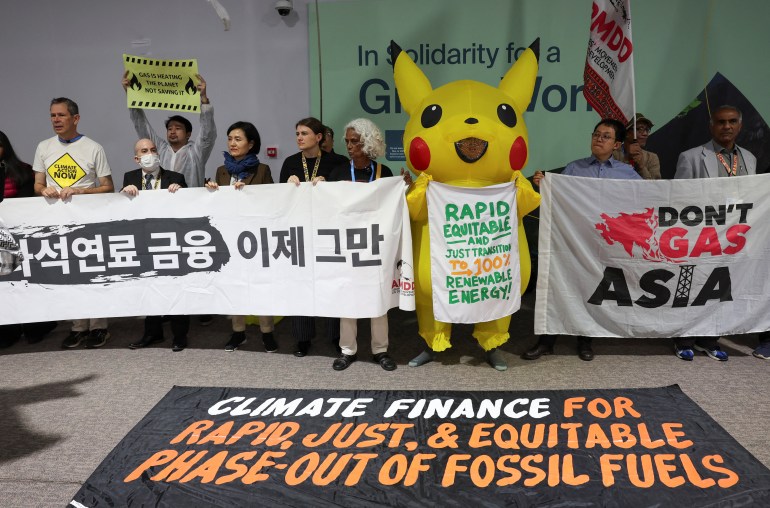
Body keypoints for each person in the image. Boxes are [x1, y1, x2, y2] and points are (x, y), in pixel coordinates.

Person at [524, 118, 641, 362]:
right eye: (596, 134)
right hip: (571, 241)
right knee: (557, 289)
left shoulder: (627, 174)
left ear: (617, 143)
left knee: (590, 290)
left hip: (603, 245)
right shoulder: (574, 168)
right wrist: (543, 185)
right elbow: (558, 202)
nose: (599, 139)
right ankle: (547, 341)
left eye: (606, 136)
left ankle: (585, 340)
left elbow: (641, 204)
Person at [673, 104, 767, 360]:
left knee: (720, 289)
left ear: (740, 125)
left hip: (735, 237)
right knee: (694, 286)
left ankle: (709, 339)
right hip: (701, 235)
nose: (726, 126)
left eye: (732, 121)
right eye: (721, 122)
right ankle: (683, 339)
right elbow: (680, 201)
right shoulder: (692, 157)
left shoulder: (749, 158)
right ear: (711, 126)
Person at [33, 97, 114, 349]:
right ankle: (78, 326)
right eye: (52, 115)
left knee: (93, 272)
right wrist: (43, 190)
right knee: (70, 273)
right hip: (58, 221)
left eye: (61, 115)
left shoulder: (93, 148)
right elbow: (37, 183)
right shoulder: (44, 147)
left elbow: (108, 187)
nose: (55, 120)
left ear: (75, 119)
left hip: (88, 221)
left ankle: (99, 327)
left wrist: (80, 192)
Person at [327, 118, 403, 371]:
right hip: (347, 246)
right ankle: (347, 350)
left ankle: (380, 350)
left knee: (378, 298)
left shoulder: (384, 173)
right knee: (347, 298)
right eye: (347, 141)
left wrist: (405, 190)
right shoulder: (337, 173)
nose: (349, 146)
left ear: (368, 143)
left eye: (355, 142)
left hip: (375, 246)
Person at [204, 121, 277, 353]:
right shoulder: (221, 171)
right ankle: (238, 332)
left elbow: (274, 202)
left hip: (256, 237)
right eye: (230, 139)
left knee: (261, 285)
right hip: (228, 238)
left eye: (238, 139)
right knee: (234, 285)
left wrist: (251, 195)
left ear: (251, 143)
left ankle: (267, 333)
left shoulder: (263, 169)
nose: (232, 143)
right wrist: (212, 191)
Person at [120, 138, 189, 351]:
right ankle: (152, 333)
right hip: (143, 241)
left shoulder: (175, 177)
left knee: (175, 288)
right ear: (136, 158)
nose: (149, 153)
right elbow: (121, 210)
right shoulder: (129, 177)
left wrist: (181, 192)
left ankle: (179, 336)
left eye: (152, 149)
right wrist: (123, 194)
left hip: (170, 241)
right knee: (148, 288)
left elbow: (189, 209)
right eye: (144, 151)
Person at [279, 117, 340, 356]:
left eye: (304, 133)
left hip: (328, 233)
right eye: (297, 133)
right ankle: (302, 338)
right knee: (300, 284)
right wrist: (287, 184)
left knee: (332, 284)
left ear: (319, 137)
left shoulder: (337, 162)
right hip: (299, 232)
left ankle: (336, 336)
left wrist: (330, 184)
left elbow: (344, 195)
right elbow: (279, 199)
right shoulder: (290, 163)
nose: (299, 138)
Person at [0, 131, 57, 347]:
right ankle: (8, 331)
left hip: (21, 235)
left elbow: (26, 203)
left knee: (27, 282)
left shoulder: (22, 170)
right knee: (4, 286)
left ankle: (37, 326)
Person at [121, 71, 217, 188]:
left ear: (188, 134)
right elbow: (142, 125)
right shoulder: (160, 149)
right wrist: (130, 94)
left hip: (190, 203)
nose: (172, 131)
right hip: (162, 203)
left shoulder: (197, 152)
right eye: (169, 128)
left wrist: (204, 99)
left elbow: (208, 133)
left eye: (178, 128)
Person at [613, 113, 661, 180]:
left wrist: (641, 167)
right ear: (627, 133)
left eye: (647, 130)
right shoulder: (613, 154)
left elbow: (655, 187)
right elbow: (611, 180)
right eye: (640, 129)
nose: (645, 134)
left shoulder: (652, 158)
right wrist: (627, 158)